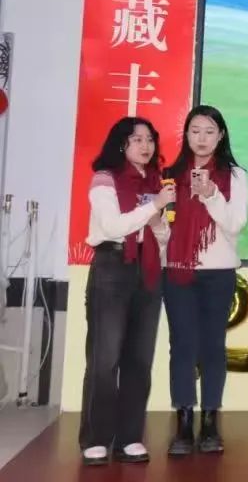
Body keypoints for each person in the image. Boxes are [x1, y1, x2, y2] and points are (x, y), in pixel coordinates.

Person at [79, 117, 174, 466]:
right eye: (137, 139)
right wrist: (153, 206)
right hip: (112, 267)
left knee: (139, 359)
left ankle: (130, 436)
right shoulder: (105, 179)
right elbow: (112, 226)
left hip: (147, 270)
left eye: (150, 139)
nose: (145, 146)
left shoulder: (154, 182)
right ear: (122, 144)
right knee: (105, 360)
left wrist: (158, 221)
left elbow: (162, 236)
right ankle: (96, 438)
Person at [163, 105, 248, 456]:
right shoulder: (171, 174)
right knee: (182, 346)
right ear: (186, 134)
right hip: (178, 270)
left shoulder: (235, 176)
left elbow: (235, 225)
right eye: (195, 131)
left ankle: (210, 421)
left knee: (213, 346)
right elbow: (162, 225)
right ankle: (184, 421)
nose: (201, 138)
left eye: (209, 131)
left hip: (218, 272)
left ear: (221, 135)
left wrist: (212, 194)